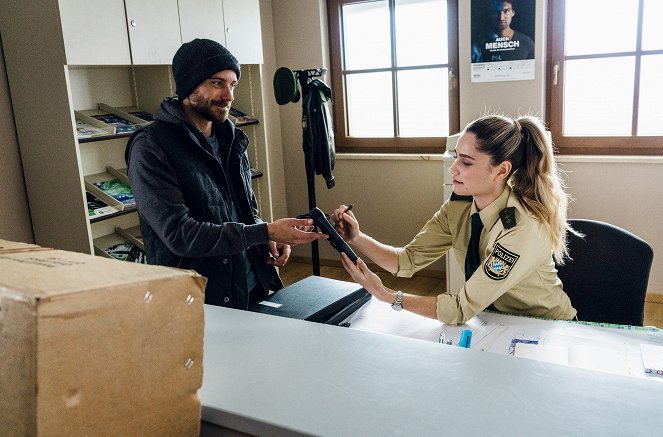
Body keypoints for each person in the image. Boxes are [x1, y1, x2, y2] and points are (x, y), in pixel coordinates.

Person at [125, 38, 324, 309]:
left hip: (253, 288)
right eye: (217, 83)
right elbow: (181, 235)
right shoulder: (150, 146)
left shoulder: (231, 138)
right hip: (197, 302)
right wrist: (263, 231)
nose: (229, 96)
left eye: (232, 84)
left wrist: (268, 237)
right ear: (188, 85)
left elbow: (244, 211)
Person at [333, 114, 578, 324]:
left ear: (501, 170)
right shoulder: (458, 209)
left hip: (548, 329)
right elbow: (406, 260)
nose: (454, 169)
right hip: (495, 321)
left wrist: (385, 294)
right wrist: (357, 238)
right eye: (455, 157)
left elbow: (460, 308)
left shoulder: (522, 227)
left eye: (466, 162)